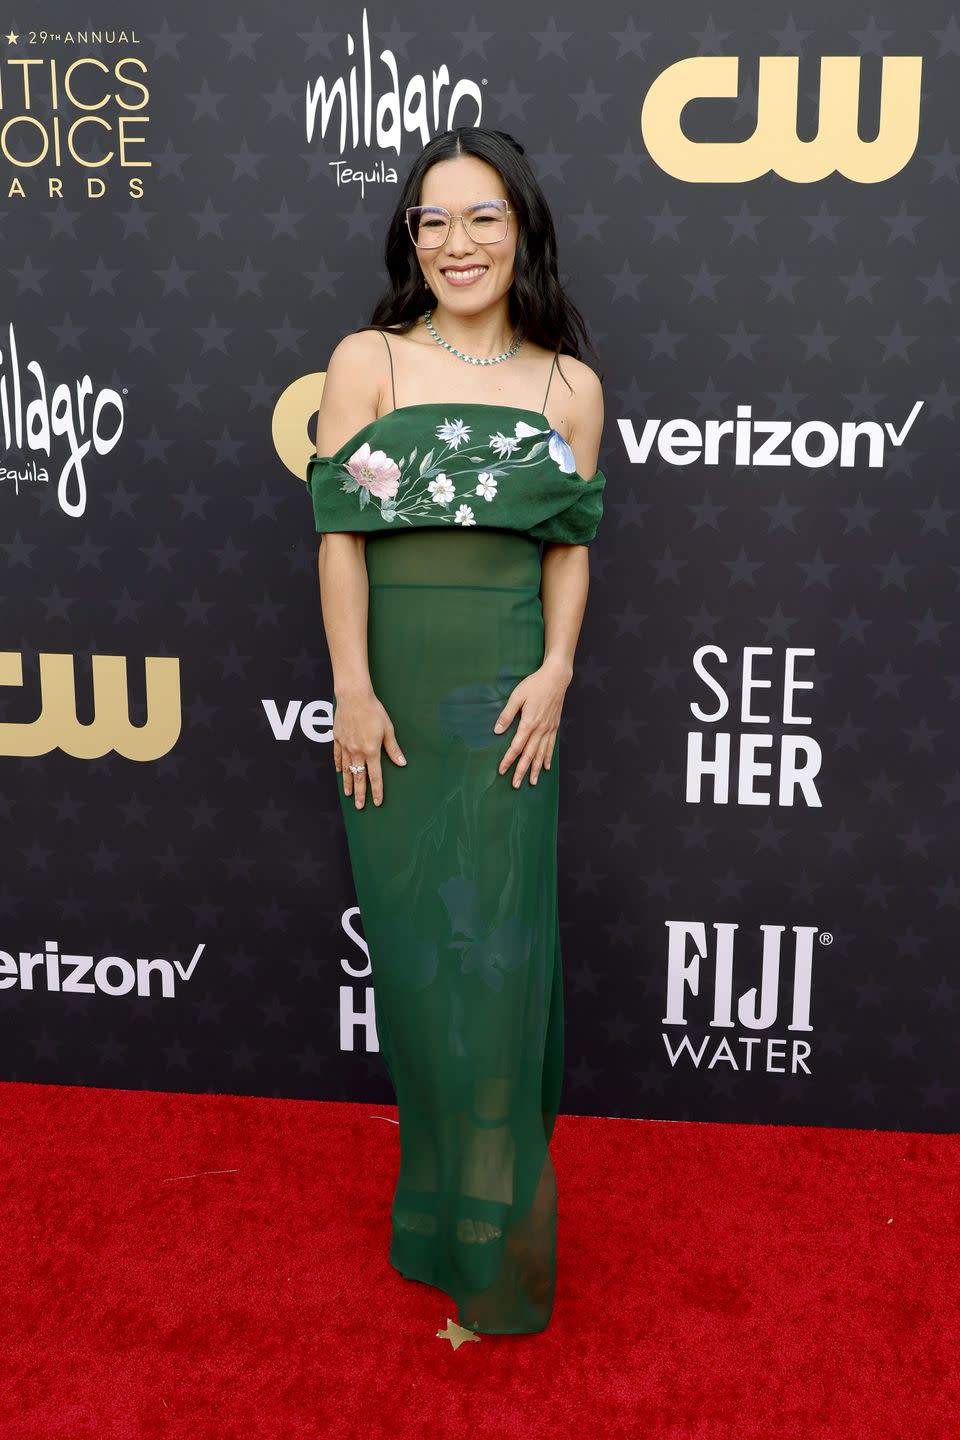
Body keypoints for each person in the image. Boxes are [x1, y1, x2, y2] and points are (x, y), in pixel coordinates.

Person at [306, 126, 606, 1336]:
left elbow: (570, 548)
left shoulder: (568, 386)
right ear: (410, 239)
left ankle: (500, 1241)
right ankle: (433, 1216)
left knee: (504, 968)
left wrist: (558, 671)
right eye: (432, 221)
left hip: (505, 705)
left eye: (482, 217)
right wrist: (352, 688)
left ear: (521, 228)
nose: (456, 242)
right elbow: (339, 537)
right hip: (395, 702)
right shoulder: (368, 360)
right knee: (425, 971)